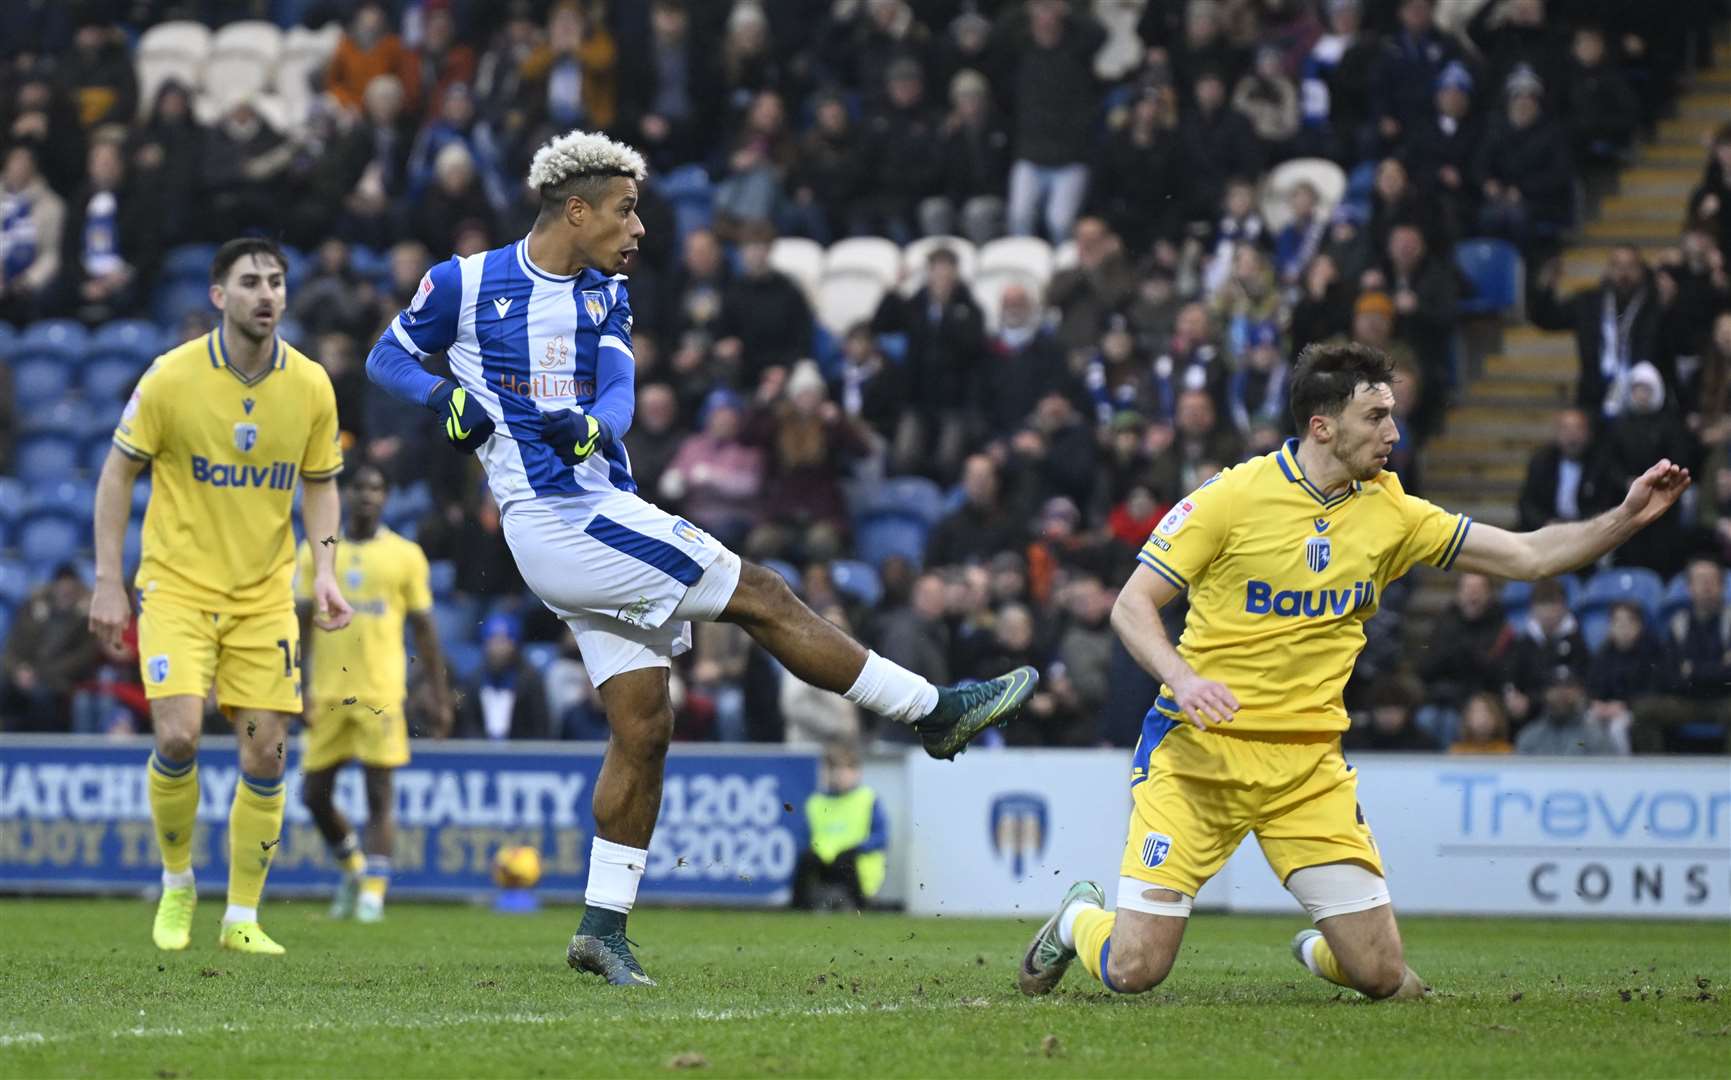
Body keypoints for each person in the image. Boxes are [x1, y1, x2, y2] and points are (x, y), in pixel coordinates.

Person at [364, 130, 1037, 986]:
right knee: (761, 592)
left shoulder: (606, 291)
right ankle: (931, 711)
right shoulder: (464, 282)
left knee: (644, 731)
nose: (639, 228)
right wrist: (443, 394)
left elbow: (616, 391)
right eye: (624, 210)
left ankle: (601, 928)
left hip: (593, 509)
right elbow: (388, 354)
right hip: (563, 518)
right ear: (576, 210)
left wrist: (595, 427)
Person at [1016, 341, 1689, 1004]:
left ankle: (1324, 950)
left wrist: (1625, 517)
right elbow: (1132, 605)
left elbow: (1528, 556)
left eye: (1392, 414)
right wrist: (1183, 679)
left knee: (1380, 978)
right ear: (1322, 425)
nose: (1393, 432)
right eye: (1375, 417)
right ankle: (1078, 919)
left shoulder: (1390, 511)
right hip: (1197, 761)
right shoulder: (1230, 497)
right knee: (1136, 969)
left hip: (1307, 769)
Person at [88, 238, 354, 956]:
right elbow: (117, 476)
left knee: (265, 753)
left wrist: (324, 570)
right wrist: (109, 579)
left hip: (264, 595)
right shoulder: (170, 378)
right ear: (218, 296)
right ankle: (178, 882)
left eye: (276, 281)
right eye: (250, 282)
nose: (267, 294)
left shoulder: (310, 385)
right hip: (175, 586)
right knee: (177, 735)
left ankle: (241, 918)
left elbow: (322, 483)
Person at [296, 465, 452, 925]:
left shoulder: (405, 556)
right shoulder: (317, 554)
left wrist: (440, 696)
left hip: (380, 691)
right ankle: (354, 870)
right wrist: (297, 684)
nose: (367, 496)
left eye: (377, 489)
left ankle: (374, 895)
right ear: (344, 494)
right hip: (326, 691)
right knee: (313, 795)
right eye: (359, 488)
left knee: (378, 792)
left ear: (386, 498)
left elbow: (425, 629)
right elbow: (300, 623)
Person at [791, 742, 888, 911]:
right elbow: (803, 838)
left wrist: (859, 847)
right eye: (834, 770)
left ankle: (860, 905)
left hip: (855, 862)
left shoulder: (867, 799)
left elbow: (881, 837)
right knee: (807, 859)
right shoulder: (816, 802)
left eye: (845, 770)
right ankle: (799, 907)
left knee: (846, 857)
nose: (839, 776)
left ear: (857, 773)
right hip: (824, 861)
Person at [1517, 408, 1616, 531]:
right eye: (1566, 429)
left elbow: (1606, 504)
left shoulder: (1600, 463)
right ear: (1557, 433)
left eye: (1578, 429)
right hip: (1548, 529)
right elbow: (1527, 504)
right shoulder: (1541, 461)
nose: (1572, 435)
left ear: (1589, 433)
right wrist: (1546, 522)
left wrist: (1584, 525)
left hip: (1588, 530)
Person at [1514, 666, 1621, 755]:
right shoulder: (1530, 737)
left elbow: (1608, 776)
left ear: (1580, 692)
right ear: (1546, 693)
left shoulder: (1595, 737)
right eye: (1555, 686)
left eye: (1568, 686)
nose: (1562, 692)